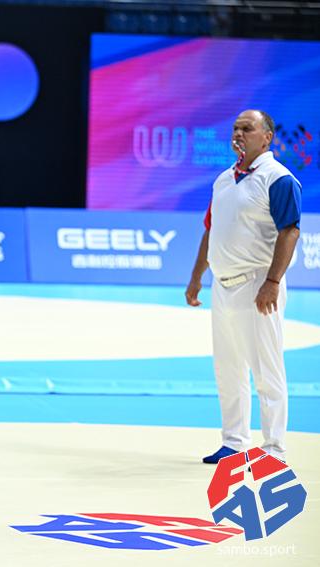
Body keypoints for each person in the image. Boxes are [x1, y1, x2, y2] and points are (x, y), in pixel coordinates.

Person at [185, 110, 301, 464]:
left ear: (267, 137)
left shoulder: (278, 178)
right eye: (235, 128)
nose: (238, 133)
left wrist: (272, 282)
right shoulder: (224, 180)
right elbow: (211, 229)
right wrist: (197, 277)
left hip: (257, 285)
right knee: (228, 368)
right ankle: (234, 442)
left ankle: (274, 449)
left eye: (247, 128)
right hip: (222, 286)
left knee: (266, 369)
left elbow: (290, 231)